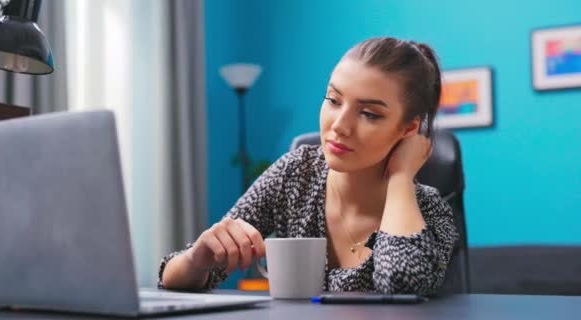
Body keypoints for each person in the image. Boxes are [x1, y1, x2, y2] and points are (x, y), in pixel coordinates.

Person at [158, 37, 458, 295]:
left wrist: (402, 177)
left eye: (369, 113)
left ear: (407, 129)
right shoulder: (294, 174)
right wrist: (196, 260)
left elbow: (400, 285)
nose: (340, 126)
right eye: (333, 100)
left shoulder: (430, 209)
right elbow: (175, 276)